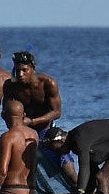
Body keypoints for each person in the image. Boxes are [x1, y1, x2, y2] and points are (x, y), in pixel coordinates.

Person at [4, 49, 67, 182]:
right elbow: (6, 112)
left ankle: (80, 192)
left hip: (45, 129)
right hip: (24, 130)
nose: (20, 74)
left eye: (24, 70)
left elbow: (57, 112)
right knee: (20, 165)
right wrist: (16, 129)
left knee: (63, 160)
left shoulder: (48, 83)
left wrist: (32, 121)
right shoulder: (10, 86)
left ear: (33, 69)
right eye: (17, 70)